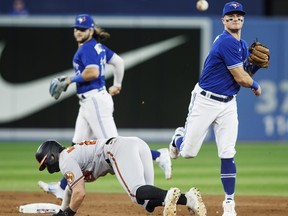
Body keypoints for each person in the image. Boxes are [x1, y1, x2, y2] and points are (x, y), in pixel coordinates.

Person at [38, 14, 172, 200]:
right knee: (76, 146)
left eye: (83, 29)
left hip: (95, 101)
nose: (79, 31)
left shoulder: (87, 48)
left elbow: (93, 72)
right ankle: (62, 187)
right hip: (88, 102)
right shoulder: (97, 47)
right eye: (76, 28)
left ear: (91, 31)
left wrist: (69, 79)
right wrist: (117, 84)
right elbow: (119, 62)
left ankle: (158, 155)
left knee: (114, 144)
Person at [169, 2, 266, 216]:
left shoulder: (241, 45)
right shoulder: (225, 42)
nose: (235, 19)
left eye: (239, 15)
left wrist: (255, 67)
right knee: (187, 153)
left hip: (228, 104)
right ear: (223, 20)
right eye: (230, 16)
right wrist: (256, 86)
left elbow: (244, 71)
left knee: (228, 153)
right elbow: (241, 78)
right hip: (205, 101)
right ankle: (178, 137)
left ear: (243, 19)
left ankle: (229, 204)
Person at [35, 137, 207, 216]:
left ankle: (168, 194)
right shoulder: (69, 156)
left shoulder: (65, 160)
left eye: (45, 163)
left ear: (50, 156)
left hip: (117, 150)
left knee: (135, 192)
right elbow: (71, 191)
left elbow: (80, 193)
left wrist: (68, 214)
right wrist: (62, 211)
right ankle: (189, 198)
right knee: (146, 202)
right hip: (136, 144)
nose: (47, 167)